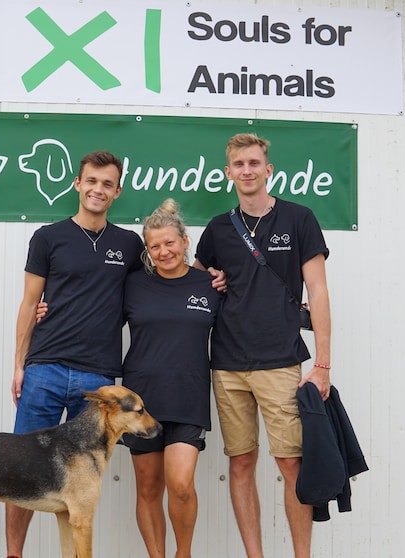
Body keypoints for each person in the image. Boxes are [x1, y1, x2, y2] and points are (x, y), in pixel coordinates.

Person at [194, 132, 332, 558]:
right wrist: (210, 280)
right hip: (228, 364)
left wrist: (323, 364)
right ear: (228, 172)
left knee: (291, 463)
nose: (247, 171)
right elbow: (192, 284)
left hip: (279, 361)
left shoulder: (299, 218)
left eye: (254, 163)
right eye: (239, 165)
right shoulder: (218, 229)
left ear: (268, 170)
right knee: (241, 463)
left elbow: (319, 291)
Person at [7, 150, 144, 558]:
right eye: (91, 181)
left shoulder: (129, 244)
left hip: (96, 380)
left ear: (117, 191)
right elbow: (30, 303)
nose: (97, 189)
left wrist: (210, 277)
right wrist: (19, 365)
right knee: (23, 472)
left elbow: (153, 292)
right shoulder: (48, 237)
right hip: (44, 370)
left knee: (81, 478)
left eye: (107, 184)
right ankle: (14, 554)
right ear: (77, 184)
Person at [121, 199, 223, 558]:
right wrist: (46, 310)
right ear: (147, 250)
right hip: (140, 402)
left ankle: (183, 553)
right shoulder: (132, 284)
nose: (163, 252)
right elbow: (93, 318)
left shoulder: (211, 285)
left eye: (169, 243)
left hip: (188, 397)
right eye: (154, 246)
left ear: (184, 240)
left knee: (180, 485)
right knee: (148, 489)